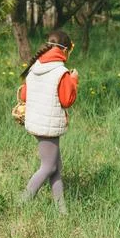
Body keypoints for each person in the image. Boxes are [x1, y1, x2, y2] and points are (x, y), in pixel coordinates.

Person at [18, 31, 79, 214]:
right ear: (65, 50)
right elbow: (67, 100)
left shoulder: (35, 66)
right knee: (48, 166)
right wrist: (73, 80)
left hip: (36, 121)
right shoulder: (61, 72)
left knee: (55, 166)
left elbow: (23, 95)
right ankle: (22, 203)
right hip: (48, 125)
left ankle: (62, 211)